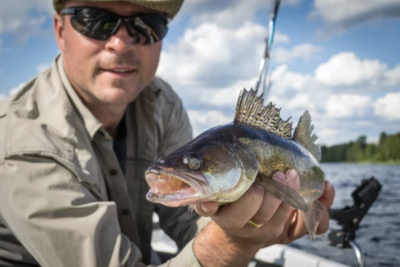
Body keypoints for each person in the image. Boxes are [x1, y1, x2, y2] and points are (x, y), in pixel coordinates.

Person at [0, 0, 335, 266]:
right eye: (94, 19)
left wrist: (247, 226)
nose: (120, 42)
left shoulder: (160, 101)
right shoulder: (22, 144)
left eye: (146, 25)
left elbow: (189, 221)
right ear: (60, 30)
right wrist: (234, 242)